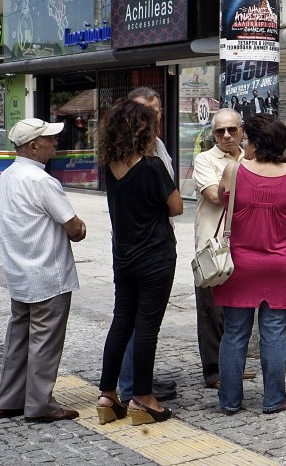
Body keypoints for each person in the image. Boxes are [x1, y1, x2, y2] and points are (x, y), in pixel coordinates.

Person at [96, 99, 183, 425]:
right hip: (155, 256)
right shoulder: (152, 167)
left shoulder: (111, 166)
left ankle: (108, 395)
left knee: (122, 322)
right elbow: (176, 207)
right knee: (147, 327)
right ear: (143, 129)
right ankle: (143, 399)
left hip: (124, 256)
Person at [0, 118, 86, 423]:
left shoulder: (8, 176)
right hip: (48, 274)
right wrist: (81, 226)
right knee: (45, 341)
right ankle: (39, 404)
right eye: (50, 139)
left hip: (20, 273)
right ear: (33, 146)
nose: (55, 143)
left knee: (19, 338)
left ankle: (9, 399)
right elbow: (74, 228)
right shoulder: (41, 180)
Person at [214, 114, 286, 414]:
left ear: (254, 141)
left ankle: (229, 401)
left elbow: (219, 197)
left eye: (246, 139)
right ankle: (274, 398)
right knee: (275, 332)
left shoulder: (234, 171)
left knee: (235, 333)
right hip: (282, 263)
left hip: (241, 264)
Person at [117, 87, 177, 404]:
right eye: (142, 111)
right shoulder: (140, 155)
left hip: (136, 245)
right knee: (142, 324)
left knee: (129, 321)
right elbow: (174, 203)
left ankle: (125, 387)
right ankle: (134, 389)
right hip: (149, 247)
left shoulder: (156, 147)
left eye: (153, 111)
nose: (149, 118)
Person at [192, 108, 245, 388]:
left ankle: (234, 364)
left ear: (241, 130)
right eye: (219, 131)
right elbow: (214, 196)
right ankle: (213, 370)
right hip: (212, 246)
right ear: (213, 134)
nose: (226, 135)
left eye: (232, 130)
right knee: (211, 311)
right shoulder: (205, 160)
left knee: (238, 309)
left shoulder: (251, 158)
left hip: (245, 244)